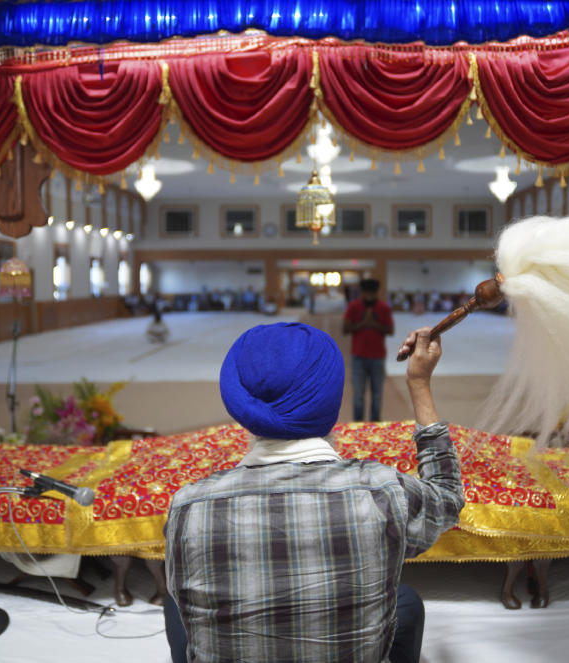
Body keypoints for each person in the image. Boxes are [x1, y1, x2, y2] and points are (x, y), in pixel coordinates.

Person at [164, 322, 463, 663]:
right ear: (331, 400)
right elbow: (447, 495)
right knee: (406, 602)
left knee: (176, 604)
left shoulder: (189, 507)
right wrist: (419, 383)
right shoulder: (382, 493)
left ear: (239, 404)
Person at [343, 278, 394, 421]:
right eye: (367, 293)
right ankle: (358, 424)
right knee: (358, 394)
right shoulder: (354, 306)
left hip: (378, 357)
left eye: (372, 293)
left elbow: (390, 330)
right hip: (358, 356)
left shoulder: (383, 307)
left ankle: (375, 423)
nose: (369, 296)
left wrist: (374, 323)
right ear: (362, 293)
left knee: (377, 393)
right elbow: (345, 328)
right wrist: (364, 323)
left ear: (376, 293)